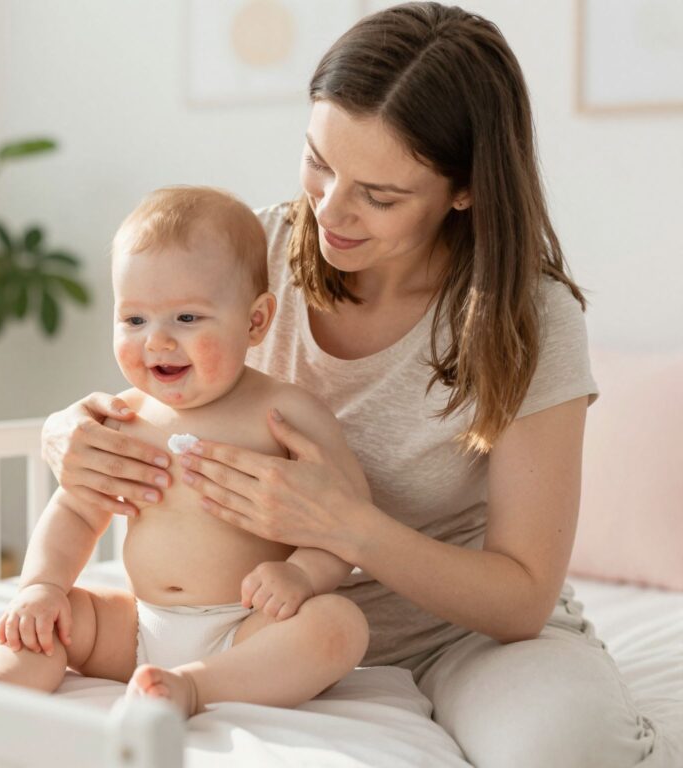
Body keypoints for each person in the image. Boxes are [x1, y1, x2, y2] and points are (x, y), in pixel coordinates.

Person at [39, 4, 664, 767]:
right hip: (245, 628)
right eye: (319, 162)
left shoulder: (529, 315)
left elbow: (523, 595)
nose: (330, 210)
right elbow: (149, 383)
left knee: (572, 753)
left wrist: (348, 526)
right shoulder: (255, 250)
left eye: (380, 193)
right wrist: (66, 436)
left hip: (463, 637)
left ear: (463, 190)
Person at [0, 185, 371, 717]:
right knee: (49, 619)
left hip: (250, 627)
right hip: (136, 629)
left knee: (338, 626)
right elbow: (77, 510)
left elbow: (348, 522)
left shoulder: (288, 413)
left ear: (256, 320)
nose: (157, 341)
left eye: (187, 319)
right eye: (134, 320)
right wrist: (42, 586)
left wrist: (303, 576)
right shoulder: (122, 419)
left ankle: (196, 688)